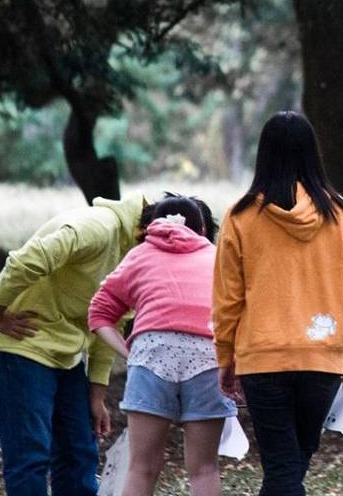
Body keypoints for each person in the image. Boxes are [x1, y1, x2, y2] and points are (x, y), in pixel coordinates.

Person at [213, 111, 343, 496]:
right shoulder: (341, 215)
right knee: (290, 467)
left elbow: (227, 299)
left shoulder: (241, 216)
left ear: (263, 155)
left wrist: (225, 357)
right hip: (323, 357)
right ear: (312, 153)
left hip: (262, 358)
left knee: (283, 470)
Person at [0, 193, 146, 496]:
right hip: (23, 345)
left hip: (67, 354)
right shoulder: (97, 229)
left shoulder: (136, 257)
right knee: (31, 456)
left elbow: (109, 322)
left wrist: (97, 394)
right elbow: (27, 259)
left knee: (79, 450)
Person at [87, 195, 235, 496]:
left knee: (141, 468)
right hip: (207, 356)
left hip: (151, 357)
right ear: (203, 227)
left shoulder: (139, 256)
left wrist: (130, 352)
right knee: (205, 469)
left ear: (150, 226)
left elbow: (99, 313)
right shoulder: (217, 257)